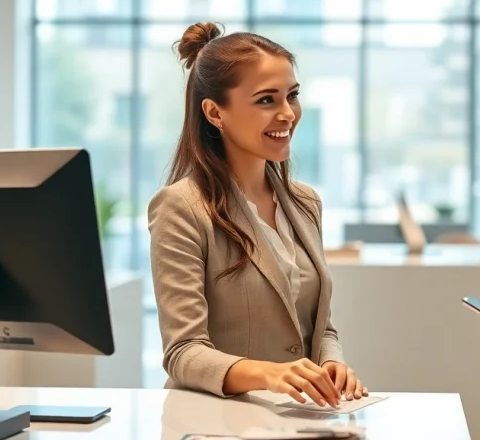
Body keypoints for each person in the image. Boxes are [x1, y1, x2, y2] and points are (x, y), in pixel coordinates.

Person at [148, 22, 368, 407]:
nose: (287, 114)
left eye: (292, 96)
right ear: (215, 113)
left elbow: (319, 325)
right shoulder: (181, 207)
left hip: (295, 419)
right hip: (216, 421)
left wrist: (332, 363)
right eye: (267, 100)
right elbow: (183, 352)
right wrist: (270, 374)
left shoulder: (305, 203)